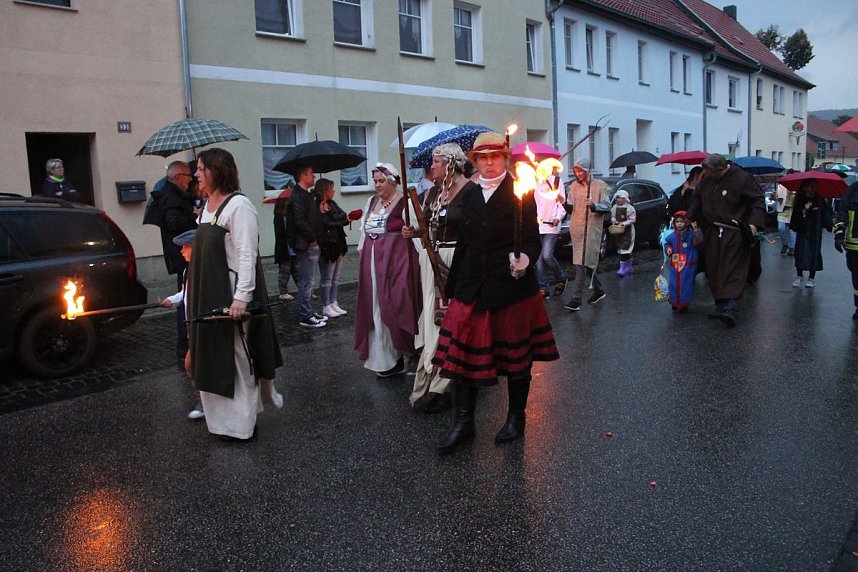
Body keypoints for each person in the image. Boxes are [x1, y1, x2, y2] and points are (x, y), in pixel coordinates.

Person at [432, 131, 559, 455]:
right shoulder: (471, 195)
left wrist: (525, 259)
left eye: (495, 157)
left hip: (511, 290)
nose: (489, 164)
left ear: (505, 159)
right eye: (483, 158)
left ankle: (516, 418)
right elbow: (464, 244)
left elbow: (531, 239)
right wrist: (450, 288)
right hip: (473, 286)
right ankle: (464, 423)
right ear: (475, 162)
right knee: (463, 357)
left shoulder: (521, 193)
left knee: (517, 359)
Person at [186, 148, 283, 441]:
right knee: (213, 357)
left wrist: (241, 298)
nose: (196, 174)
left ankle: (242, 424)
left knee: (237, 357)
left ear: (218, 170)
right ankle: (221, 423)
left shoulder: (239, 206)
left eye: (201, 169)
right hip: (207, 294)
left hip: (229, 294)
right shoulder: (206, 208)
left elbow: (246, 255)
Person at [405, 143, 477, 414]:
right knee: (431, 319)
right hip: (431, 259)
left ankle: (444, 384)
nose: (431, 166)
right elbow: (427, 227)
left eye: (436, 162)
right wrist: (413, 232)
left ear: (450, 164)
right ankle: (430, 379)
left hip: (456, 260)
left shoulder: (470, 191)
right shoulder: (433, 192)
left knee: (447, 319)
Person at [354, 163, 421, 378]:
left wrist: (412, 233)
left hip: (397, 262)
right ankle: (387, 359)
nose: (377, 185)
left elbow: (419, 229)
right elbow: (364, 233)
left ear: (393, 181)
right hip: (373, 264)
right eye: (375, 181)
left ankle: (412, 351)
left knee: (399, 304)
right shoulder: (371, 202)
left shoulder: (405, 203)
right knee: (375, 306)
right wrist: (362, 253)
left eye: (381, 181)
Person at [688, 154, 765, 327]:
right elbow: (697, 198)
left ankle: (732, 307)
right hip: (712, 230)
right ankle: (720, 304)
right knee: (714, 268)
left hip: (734, 231)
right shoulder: (706, 179)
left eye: (710, 173)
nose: (707, 175)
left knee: (732, 267)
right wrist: (689, 217)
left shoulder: (742, 178)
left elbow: (757, 201)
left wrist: (754, 225)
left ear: (720, 170)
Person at [157, 161, 199, 364]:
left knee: (188, 292)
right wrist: (193, 215)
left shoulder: (178, 195)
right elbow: (173, 222)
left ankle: (190, 344)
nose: (191, 179)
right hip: (181, 257)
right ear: (178, 177)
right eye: (189, 176)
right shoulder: (171, 197)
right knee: (187, 297)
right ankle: (185, 346)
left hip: (184, 255)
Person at [564, 158, 609, 311]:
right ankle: (599, 290)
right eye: (575, 171)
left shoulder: (599, 185)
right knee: (585, 262)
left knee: (581, 263)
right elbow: (571, 208)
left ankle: (575, 299)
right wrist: (562, 202)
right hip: (577, 229)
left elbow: (607, 206)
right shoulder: (573, 187)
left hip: (591, 229)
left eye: (580, 171)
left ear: (587, 171)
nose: (578, 174)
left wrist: (594, 205)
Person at [286, 165, 328, 328]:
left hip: (310, 243)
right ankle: (305, 315)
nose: (314, 176)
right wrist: (312, 239)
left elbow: (310, 217)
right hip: (305, 244)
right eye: (311, 174)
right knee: (306, 282)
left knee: (309, 281)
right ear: (303, 176)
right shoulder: (297, 196)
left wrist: (320, 210)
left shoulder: (306, 195)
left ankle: (309, 311)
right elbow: (300, 221)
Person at [789, 179, 833, 288]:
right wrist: (803, 213)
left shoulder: (819, 200)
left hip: (815, 231)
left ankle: (811, 278)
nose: (813, 189)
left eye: (814, 187)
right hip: (803, 231)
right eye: (811, 186)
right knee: (800, 253)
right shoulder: (800, 200)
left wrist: (831, 226)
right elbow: (795, 216)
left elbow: (825, 214)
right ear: (805, 188)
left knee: (814, 253)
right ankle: (799, 275)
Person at [316, 178, 349, 318]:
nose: (334, 190)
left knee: (336, 277)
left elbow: (343, 217)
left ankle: (333, 301)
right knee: (327, 277)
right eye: (331, 188)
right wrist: (327, 215)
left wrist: (331, 215)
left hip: (338, 243)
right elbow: (326, 224)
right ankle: (326, 305)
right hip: (327, 245)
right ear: (325, 190)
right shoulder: (317, 205)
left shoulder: (332, 203)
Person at [534, 169, 568, 298]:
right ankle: (544, 288)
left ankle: (561, 277)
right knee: (538, 260)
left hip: (551, 225)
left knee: (547, 255)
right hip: (538, 226)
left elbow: (562, 205)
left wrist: (557, 218)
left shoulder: (556, 182)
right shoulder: (533, 183)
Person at [663, 211, 701, 312]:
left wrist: (696, 229)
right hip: (675, 263)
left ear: (686, 222)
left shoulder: (691, 234)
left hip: (688, 264)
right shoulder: (673, 236)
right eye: (677, 222)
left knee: (686, 284)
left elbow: (698, 242)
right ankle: (675, 302)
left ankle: (684, 304)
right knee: (673, 284)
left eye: (681, 221)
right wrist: (668, 249)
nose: (679, 224)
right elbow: (667, 244)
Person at [833, 180, 858, 320]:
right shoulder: (852, 191)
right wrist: (839, 234)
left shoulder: (852, 190)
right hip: (854, 245)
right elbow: (842, 214)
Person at [273, 186, 296, 301]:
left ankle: (305, 290)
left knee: (298, 272)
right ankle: (283, 292)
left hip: (294, 248)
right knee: (284, 271)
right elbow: (280, 233)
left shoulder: (292, 215)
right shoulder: (279, 216)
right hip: (284, 249)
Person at [611, 189, 637, 277]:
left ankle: (622, 268)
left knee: (626, 247)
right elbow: (613, 216)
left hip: (628, 231)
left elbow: (632, 219)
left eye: (620, 198)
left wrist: (624, 223)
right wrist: (614, 221)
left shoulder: (630, 208)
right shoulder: (615, 207)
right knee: (621, 247)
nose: (619, 200)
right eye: (617, 198)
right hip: (619, 231)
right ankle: (628, 266)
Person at [775, 179, 796, 256]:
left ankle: (792, 247)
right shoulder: (781, 187)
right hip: (783, 211)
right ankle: (785, 244)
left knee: (792, 230)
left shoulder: (796, 187)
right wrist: (775, 196)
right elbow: (777, 197)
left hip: (792, 211)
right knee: (781, 228)